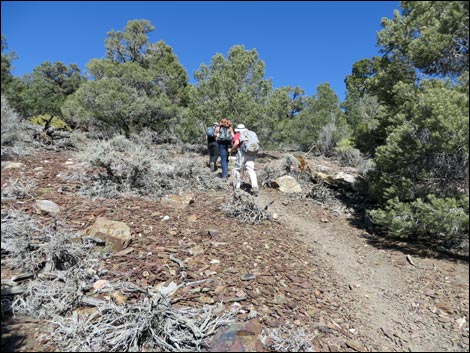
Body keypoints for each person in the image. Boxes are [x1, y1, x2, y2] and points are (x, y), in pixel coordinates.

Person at [229, 124, 259, 196]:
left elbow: (236, 143)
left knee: (237, 169)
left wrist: (232, 150)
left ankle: (237, 186)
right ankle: (255, 186)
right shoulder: (252, 133)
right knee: (251, 169)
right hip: (252, 152)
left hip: (242, 153)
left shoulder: (238, 134)